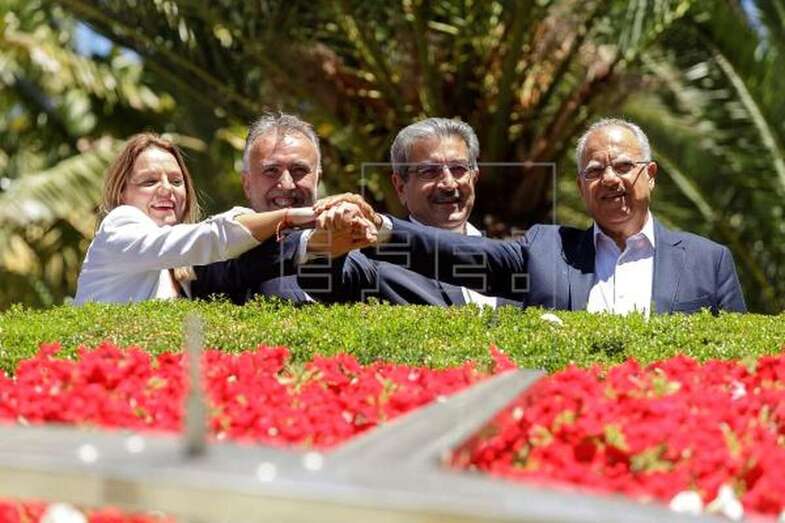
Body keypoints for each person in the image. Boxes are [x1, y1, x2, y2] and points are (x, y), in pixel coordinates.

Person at [324, 118, 747, 315]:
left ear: (650, 175)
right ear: (581, 187)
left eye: (623, 166)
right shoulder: (548, 248)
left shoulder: (708, 261)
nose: (610, 179)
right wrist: (380, 229)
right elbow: (467, 257)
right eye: (594, 171)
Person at [192, 112, 467, 306]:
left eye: (299, 170)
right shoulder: (218, 244)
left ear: (318, 178)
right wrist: (311, 243)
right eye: (271, 171)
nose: (286, 184)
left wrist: (337, 239)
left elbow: (348, 277)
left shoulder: (354, 244)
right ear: (247, 183)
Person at [74, 133, 371, 304]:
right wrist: (305, 215)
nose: (166, 190)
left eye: (176, 181)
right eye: (149, 181)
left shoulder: (184, 265)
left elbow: (243, 262)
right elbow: (214, 237)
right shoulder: (120, 225)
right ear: (122, 193)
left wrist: (321, 242)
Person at [311, 117, 518, 307]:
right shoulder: (376, 264)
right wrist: (330, 234)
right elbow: (323, 281)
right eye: (429, 171)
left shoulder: (513, 260)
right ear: (400, 186)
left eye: (458, 169)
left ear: (474, 177)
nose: (448, 183)